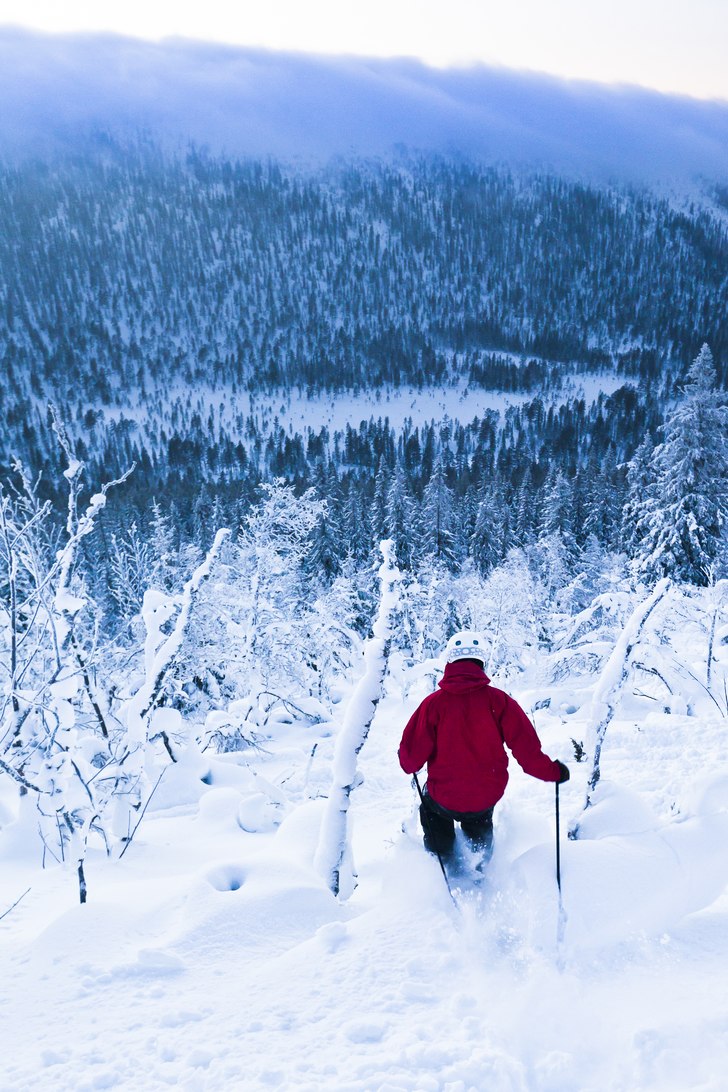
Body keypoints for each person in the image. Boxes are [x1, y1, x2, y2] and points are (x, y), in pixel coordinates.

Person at [398, 631, 569, 867]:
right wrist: (554, 772)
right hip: (485, 795)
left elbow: (410, 763)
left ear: (450, 662)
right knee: (478, 817)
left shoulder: (433, 704)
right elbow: (528, 754)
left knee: (431, 806)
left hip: (443, 797)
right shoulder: (501, 702)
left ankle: (442, 862)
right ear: (481, 663)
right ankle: (480, 865)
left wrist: (408, 756)